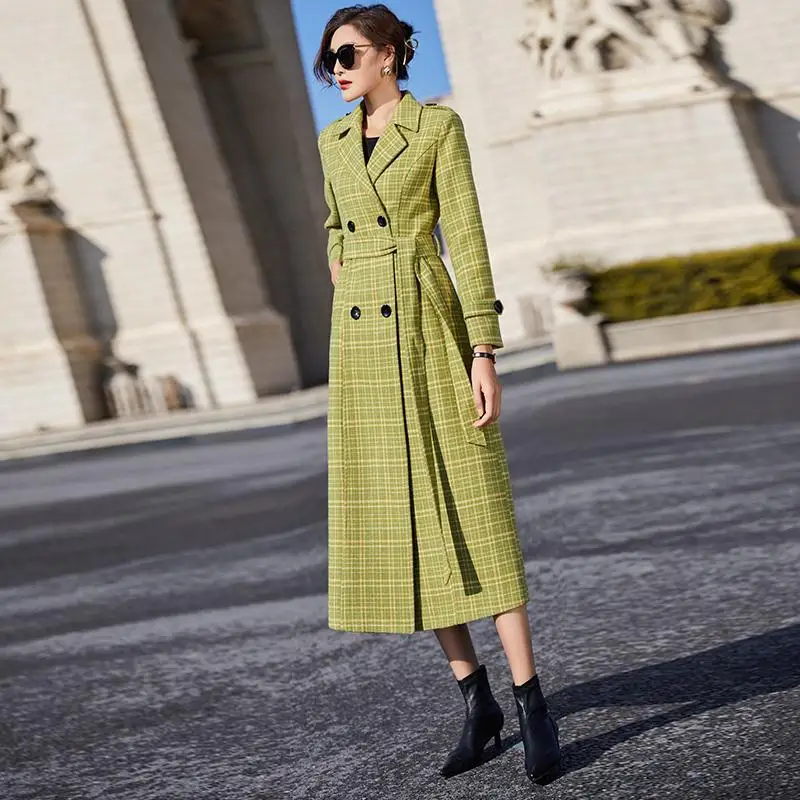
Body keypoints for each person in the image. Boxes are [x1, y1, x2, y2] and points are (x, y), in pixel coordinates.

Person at [313, 4, 562, 785]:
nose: (336, 70)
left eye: (348, 54)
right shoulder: (331, 140)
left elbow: (468, 236)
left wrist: (483, 349)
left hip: (428, 325)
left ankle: (531, 704)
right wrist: (340, 259)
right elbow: (335, 220)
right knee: (403, 519)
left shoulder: (437, 129)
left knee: (475, 506)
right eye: (328, 60)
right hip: (361, 343)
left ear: (389, 53)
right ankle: (475, 700)